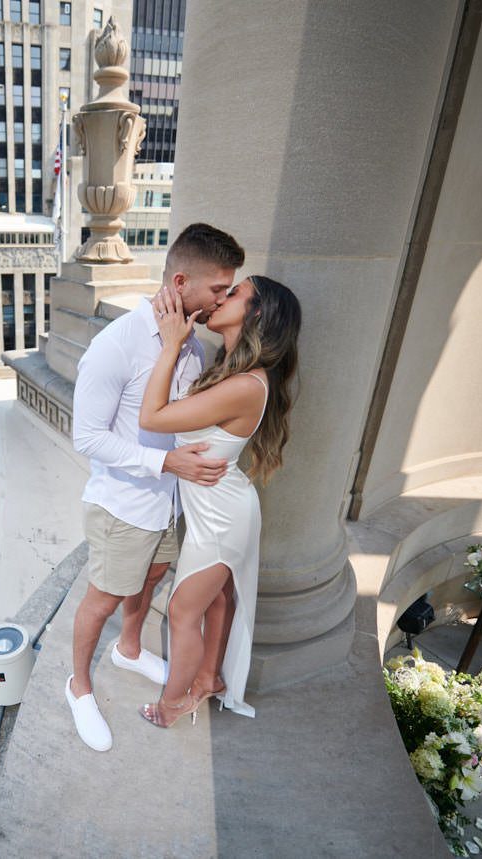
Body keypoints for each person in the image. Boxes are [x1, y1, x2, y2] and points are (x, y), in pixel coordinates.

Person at [65, 224, 245, 752]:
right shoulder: (114, 346)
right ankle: (77, 686)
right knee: (103, 599)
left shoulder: (193, 345)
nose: (224, 299)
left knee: (151, 581)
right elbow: (88, 437)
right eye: (219, 289)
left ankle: (127, 648)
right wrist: (164, 462)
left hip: (169, 503)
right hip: (122, 505)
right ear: (183, 280)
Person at [137, 274, 301, 727]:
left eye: (235, 293)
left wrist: (171, 344)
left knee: (181, 610)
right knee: (217, 599)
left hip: (222, 517)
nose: (222, 298)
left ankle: (171, 707)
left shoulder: (247, 384)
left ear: (257, 314)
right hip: (221, 507)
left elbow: (152, 417)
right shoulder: (233, 369)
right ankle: (209, 678)